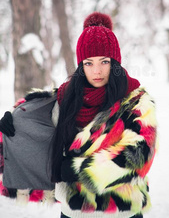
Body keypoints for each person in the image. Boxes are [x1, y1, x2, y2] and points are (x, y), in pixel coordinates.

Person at [0, 12, 157, 218]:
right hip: (73, 212)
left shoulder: (135, 101)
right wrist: (14, 124)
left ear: (115, 62)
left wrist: (79, 171)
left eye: (104, 61)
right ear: (81, 65)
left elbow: (139, 157)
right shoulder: (66, 99)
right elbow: (34, 132)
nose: (97, 71)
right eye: (89, 63)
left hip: (120, 212)